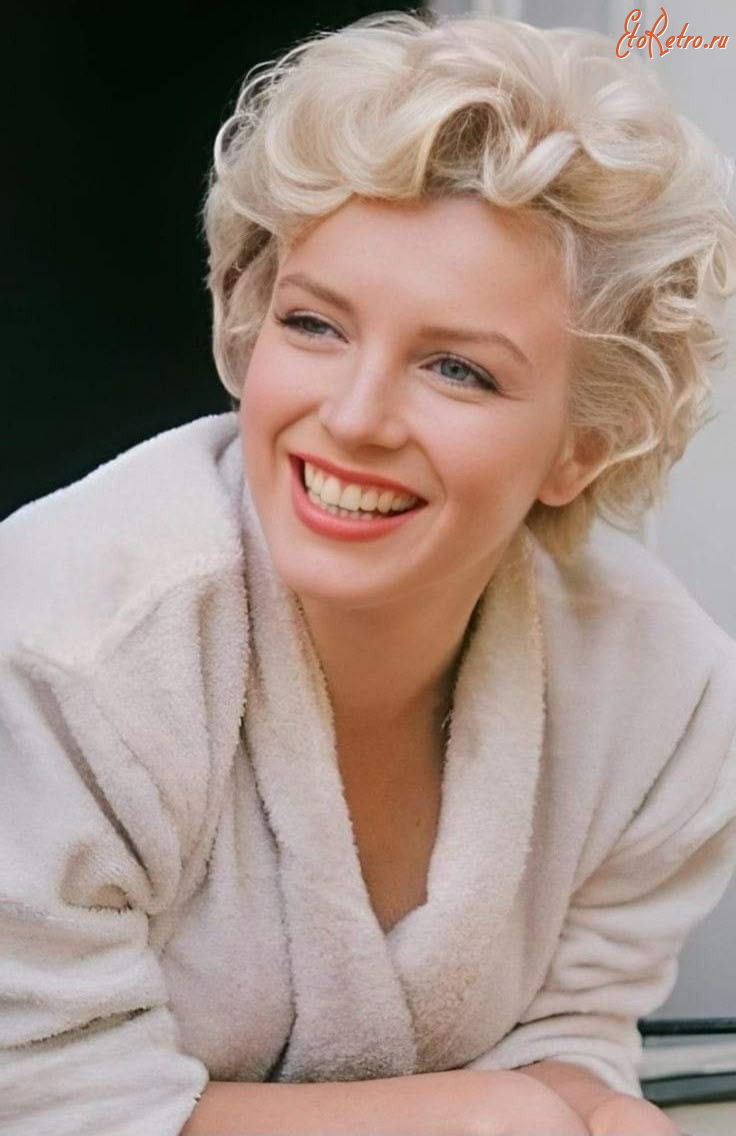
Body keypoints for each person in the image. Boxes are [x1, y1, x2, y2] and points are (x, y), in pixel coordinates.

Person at [2, 9, 736, 1136]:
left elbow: (569, 1029)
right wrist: (478, 1119)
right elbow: (41, 1096)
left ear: (585, 444)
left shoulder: (661, 699)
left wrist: (594, 1105)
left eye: (457, 369)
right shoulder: (66, 654)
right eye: (314, 324)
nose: (351, 418)